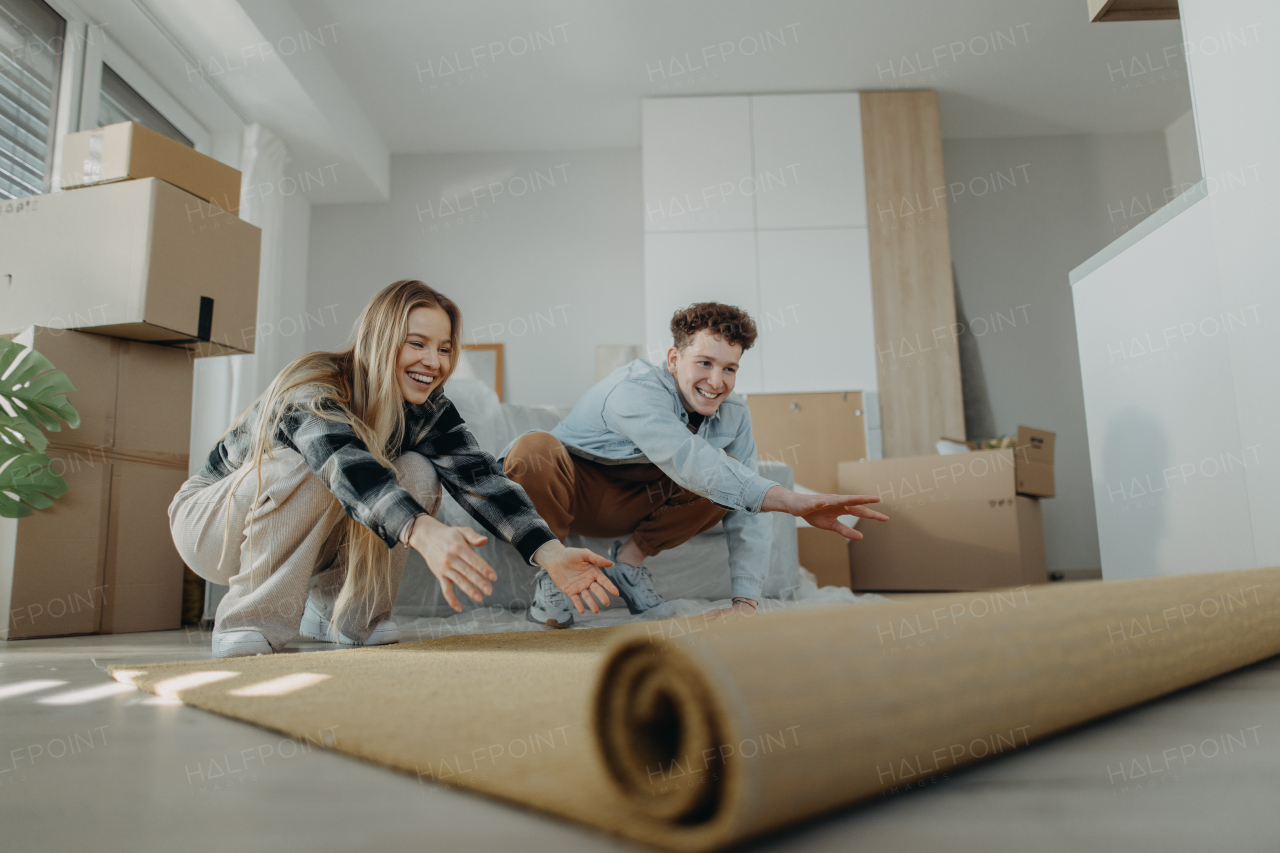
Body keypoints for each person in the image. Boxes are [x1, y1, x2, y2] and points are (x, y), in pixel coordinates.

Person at [170, 280, 618, 657]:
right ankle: (250, 617)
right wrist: (425, 532)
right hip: (215, 526)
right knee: (308, 464)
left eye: (444, 348)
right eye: (417, 343)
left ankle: (347, 613)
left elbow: (482, 479)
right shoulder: (314, 385)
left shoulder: (427, 410)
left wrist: (550, 551)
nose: (434, 362)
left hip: (299, 533)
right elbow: (344, 465)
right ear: (381, 339)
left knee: (417, 469)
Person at [502, 302, 888, 628]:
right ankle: (554, 573)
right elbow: (689, 459)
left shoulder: (734, 414)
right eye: (704, 363)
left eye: (730, 369)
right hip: (576, 494)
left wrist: (746, 603)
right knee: (531, 448)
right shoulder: (634, 390)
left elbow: (746, 507)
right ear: (674, 358)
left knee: (732, 472)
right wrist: (789, 500)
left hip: (639, 502)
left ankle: (628, 562)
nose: (716, 381)